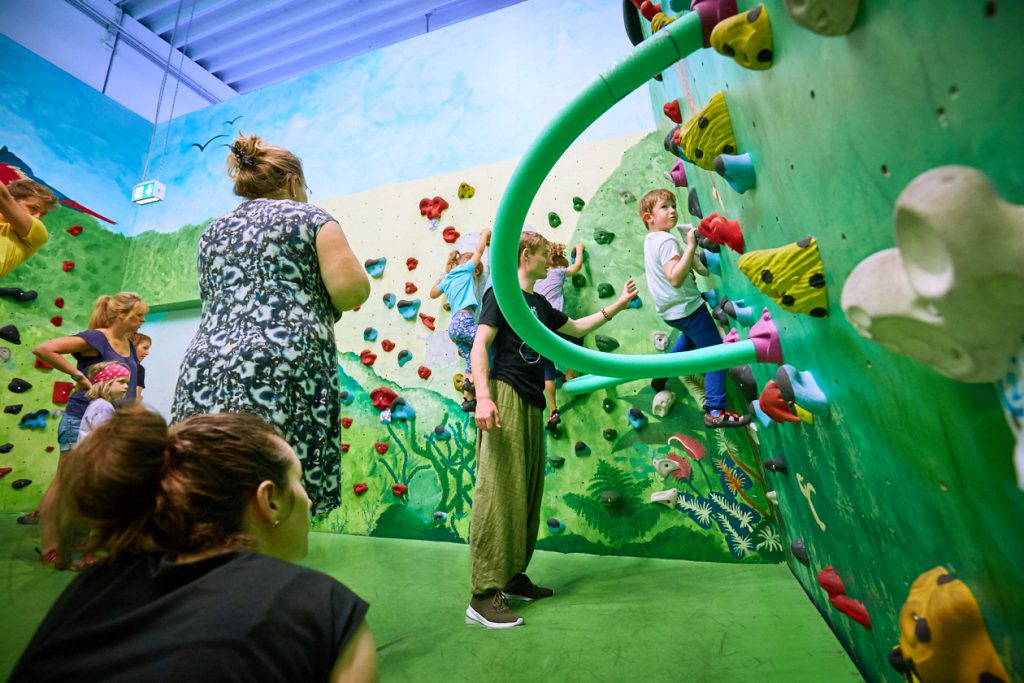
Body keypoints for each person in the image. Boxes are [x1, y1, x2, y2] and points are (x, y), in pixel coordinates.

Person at [10, 407, 378, 683]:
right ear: (270, 501)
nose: (309, 501)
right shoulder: (323, 609)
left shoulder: (92, 587)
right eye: (299, 482)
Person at [171, 133, 370, 517]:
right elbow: (351, 291)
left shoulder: (212, 232)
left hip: (206, 363)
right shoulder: (312, 219)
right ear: (293, 183)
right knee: (273, 484)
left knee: (208, 482)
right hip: (282, 364)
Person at [466, 231, 639, 629]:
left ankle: (511, 576)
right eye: (545, 255)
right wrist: (484, 397)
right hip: (505, 393)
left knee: (525, 492)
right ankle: (482, 594)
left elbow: (576, 329)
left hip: (532, 401)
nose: (551, 262)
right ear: (526, 255)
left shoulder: (539, 304)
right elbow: (480, 345)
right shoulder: (500, 294)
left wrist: (619, 305)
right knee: (498, 490)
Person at [24, 293, 147, 564]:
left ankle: (79, 544)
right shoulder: (97, 338)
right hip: (80, 418)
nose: (142, 319)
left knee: (88, 485)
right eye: (138, 314)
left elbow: (127, 391)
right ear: (121, 315)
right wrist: (78, 376)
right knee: (64, 482)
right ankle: (50, 548)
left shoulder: (128, 344)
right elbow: (45, 349)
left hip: (107, 424)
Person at [640, 189, 751, 429]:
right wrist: (689, 246)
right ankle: (715, 409)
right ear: (649, 217)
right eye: (664, 207)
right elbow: (675, 278)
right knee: (715, 354)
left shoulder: (651, 240)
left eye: (672, 205)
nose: (672, 210)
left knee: (690, 340)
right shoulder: (668, 240)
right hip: (687, 308)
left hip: (670, 312)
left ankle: (661, 375)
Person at [429, 229, 491, 412]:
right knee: (483, 344)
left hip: (454, 328)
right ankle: (474, 384)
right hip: (465, 320)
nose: (476, 274)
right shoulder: (465, 270)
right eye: (476, 270)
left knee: (471, 358)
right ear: (467, 265)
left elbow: (432, 294)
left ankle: (468, 399)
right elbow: (479, 252)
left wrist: (441, 278)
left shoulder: (448, 279)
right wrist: (484, 235)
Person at [534, 242, 585, 428]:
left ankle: (553, 411)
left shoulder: (537, 277)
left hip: (539, 328)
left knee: (547, 365)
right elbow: (576, 266)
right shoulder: (558, 272)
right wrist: (579, 249)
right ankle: (570, 376)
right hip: (555, 322)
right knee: (578, 337)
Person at [1, 179, 57, 278]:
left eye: (43, 214)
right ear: (13, 201)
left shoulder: (38, 233)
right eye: (33, 208)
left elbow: (2, 196)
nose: (37, 217)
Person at [77, 362, 131, 443]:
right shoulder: (103, 407)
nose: (126, 386)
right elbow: (104, 437)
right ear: (106, 383)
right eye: (121, 381)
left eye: (127, 383)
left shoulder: (97, 404)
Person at [130, 332, 152, 400]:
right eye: (145, 348)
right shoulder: (139, 369)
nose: (147, 353)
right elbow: (136, 400)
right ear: (133, 346)